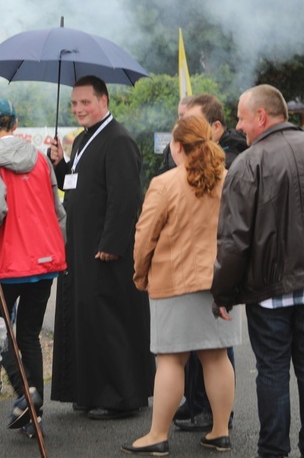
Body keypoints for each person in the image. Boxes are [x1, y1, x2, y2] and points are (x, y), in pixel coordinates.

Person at [211, 84, 304, 458]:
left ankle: (273, 451)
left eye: (241, 117)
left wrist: (222, 292)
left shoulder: (247, 164)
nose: (239, 125)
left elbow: (234, 241)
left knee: (273, 371)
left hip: (268, 290)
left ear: (261, 117)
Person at [123, 115, 240, 455]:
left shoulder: (165, 183)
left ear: (177, 146)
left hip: (174, 282)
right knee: (217, 357)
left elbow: (145, 236)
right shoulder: (229, 180)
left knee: (171, 361)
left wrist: (140, 274)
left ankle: (157, 435)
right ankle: (219, 431)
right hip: (221, 283)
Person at [49, 75, 156, 420]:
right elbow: (78, 185)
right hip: (81, 249)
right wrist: (61, 164)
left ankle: (121, 397)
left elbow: (125, 198)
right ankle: (90, 391)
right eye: (74, 103)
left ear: (104, 101)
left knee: (111, 323)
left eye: (85, 102)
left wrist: (112, 243)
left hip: (107, 252)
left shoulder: (118, 140)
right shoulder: (82, 141)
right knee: (89, 320)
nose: (79, 109)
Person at [0, 98, 66, 436]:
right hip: (44, 258)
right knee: (28, 334)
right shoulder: (39, 158)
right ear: (15, 123)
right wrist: (57, 245)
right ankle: (34, 414)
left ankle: (27, 396)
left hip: (10, 260)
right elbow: (57, 210)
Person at [174, 93, 246, 432]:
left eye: (191, 120)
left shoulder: (232, 163)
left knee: (217, 345)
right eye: (180, 119)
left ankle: (217, 416)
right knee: (194, 341)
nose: (182, 127)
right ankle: (196, 402)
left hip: (216, 267)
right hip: (189, 266)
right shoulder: (181, 153)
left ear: (215, 127)